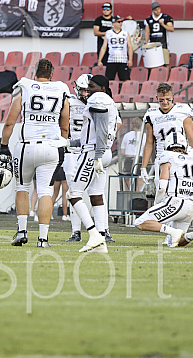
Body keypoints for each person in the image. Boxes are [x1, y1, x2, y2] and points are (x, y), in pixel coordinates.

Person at [1, 58, 69, 248]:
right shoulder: (61, 90)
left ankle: (22, 230)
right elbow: (65, 125)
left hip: (27, 146)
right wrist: (62, 145)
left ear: (34, 74)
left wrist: (4, 145)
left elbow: (10, 121)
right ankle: (43, 239)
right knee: (46, 191)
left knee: (22, 187)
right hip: (51, 146)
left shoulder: (25, 87)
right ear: (51, 75)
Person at [67, 75, 119, 253]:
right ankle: (102, 237)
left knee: (73, 194)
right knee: (96, 194)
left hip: (93, 153)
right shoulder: (109, 101)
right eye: (88, 86)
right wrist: (68, 143)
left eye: (92, 86)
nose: (88, 89)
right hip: (103, 152)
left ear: (102, 88)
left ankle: (93, 234)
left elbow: (102, 129)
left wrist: (96, 155)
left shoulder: (98, 99)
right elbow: (93, 133)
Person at [134, 133, 193, 247]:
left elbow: (162, 186)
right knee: (175, 242)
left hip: (176, 202)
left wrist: (157, 203)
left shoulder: (168, 156)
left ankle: (174, 231)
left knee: (139, 222)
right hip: (192, 206)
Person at [140, 83, 193, 188]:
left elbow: (192, 139)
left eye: (168, 99)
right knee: (162, 190)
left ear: (173, 97)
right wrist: (143, 167)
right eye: (161, 100)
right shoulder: (151, 115)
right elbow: (149, 143)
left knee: (179, 189)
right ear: (157, 98)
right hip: (161, 157)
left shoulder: (182, 111)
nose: (165, 102)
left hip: (181, 156)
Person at [64, 74, 88, 242]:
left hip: (90, 151)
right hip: (72, 150)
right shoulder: (70, 102)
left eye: (89, 89)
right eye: (84, 90)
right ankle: (76, 231)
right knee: (73, 190)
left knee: (95, 192)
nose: (86, 93)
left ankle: (103, 230)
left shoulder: (99, 101)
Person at [98, 15, 133, 81]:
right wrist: (100, 60)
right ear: (113, 23)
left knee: (126, 80)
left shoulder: (125, 33)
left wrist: (130, 59)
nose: (120, 23)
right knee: (109, 80)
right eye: (118, 22)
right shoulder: (108, 33)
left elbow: (130, 46)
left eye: (121, 22)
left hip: (123, 60)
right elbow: (104, 47)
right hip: (111, 60)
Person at [144, 2, 174, 68]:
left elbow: (171, 29)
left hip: (163, 43)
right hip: (152, 44)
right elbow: (147, 32)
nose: (158, 11)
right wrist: (146, 42)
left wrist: (163, 24)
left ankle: (166, 77)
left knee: (166, 63)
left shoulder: (166, 17)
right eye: (155, 10)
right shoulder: (148, 19)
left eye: (159, 9)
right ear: (152, 11)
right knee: (153, 63)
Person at [120, 118, 143, 190]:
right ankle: (138, 194)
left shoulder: (127, 135)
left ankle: (127, 193)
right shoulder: (144, 136)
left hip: (128, 159)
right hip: (140, 159)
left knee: (127, 178)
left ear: (132, 125)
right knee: (139, 178)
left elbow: (122, 152)